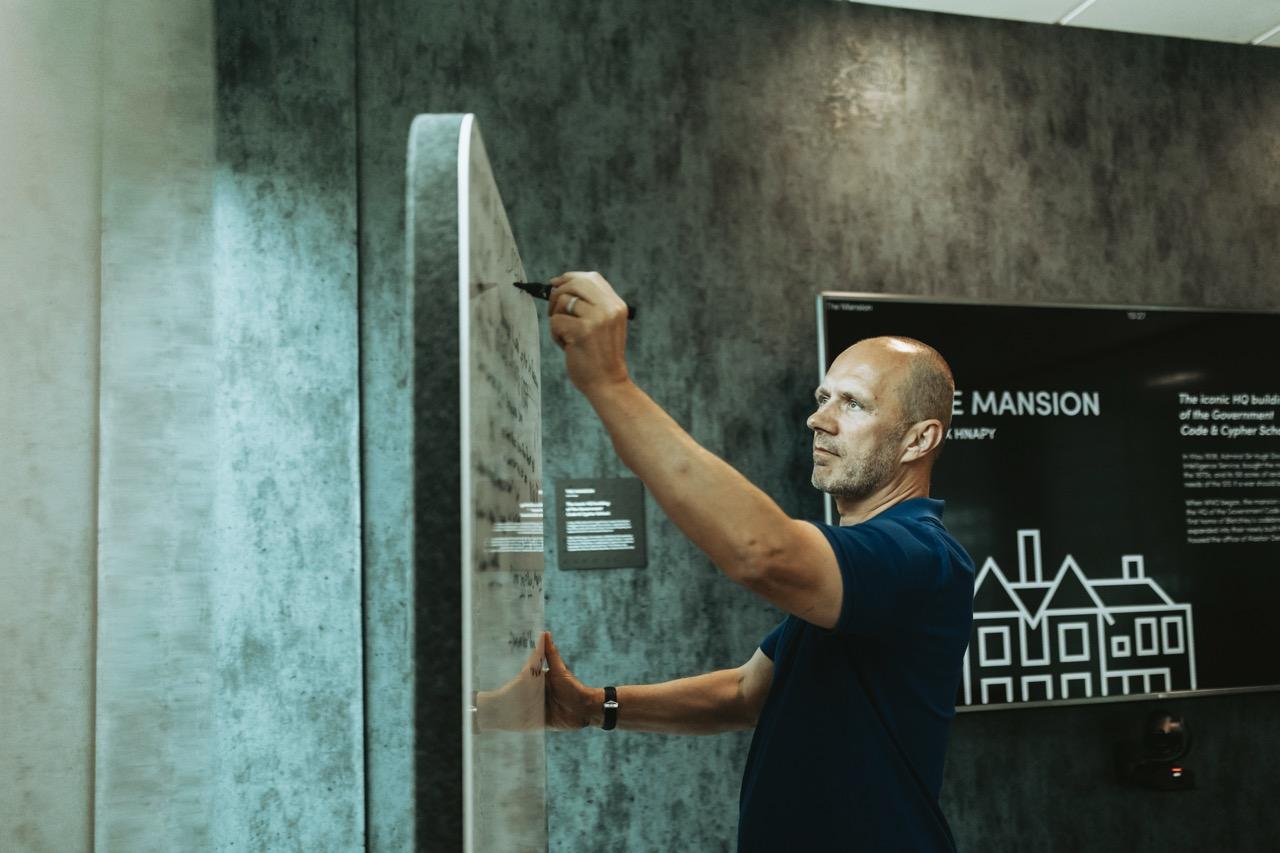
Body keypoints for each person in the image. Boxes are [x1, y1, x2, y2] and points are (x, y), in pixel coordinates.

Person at [538, 271, 975, 852]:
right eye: (823, 398)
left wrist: (610, 383)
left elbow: (760, 553)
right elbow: (746, 692)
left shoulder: (918, 555)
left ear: (919, 441)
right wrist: (594, 706)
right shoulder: (859, 566)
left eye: (854, 403)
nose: (818, 419)